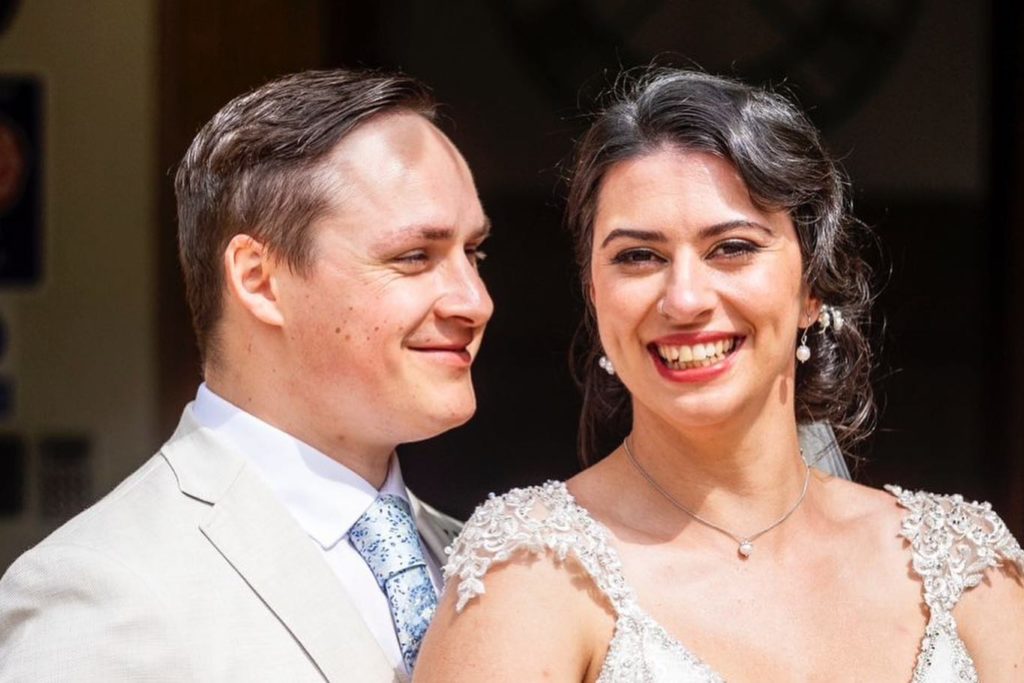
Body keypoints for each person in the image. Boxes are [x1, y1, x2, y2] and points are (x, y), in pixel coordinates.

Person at [416, 68, 1024, 681]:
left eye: (731, 248)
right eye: (638, 257)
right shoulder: (530, 572)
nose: (684, 300)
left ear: (812, 283)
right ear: (594, 294)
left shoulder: (966, 566)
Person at [0, 68, 492, 681]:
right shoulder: (101, 586)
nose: (474, 301)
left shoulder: (483, 559)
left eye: (474, 253)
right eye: (414, 257)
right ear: (259, 281)